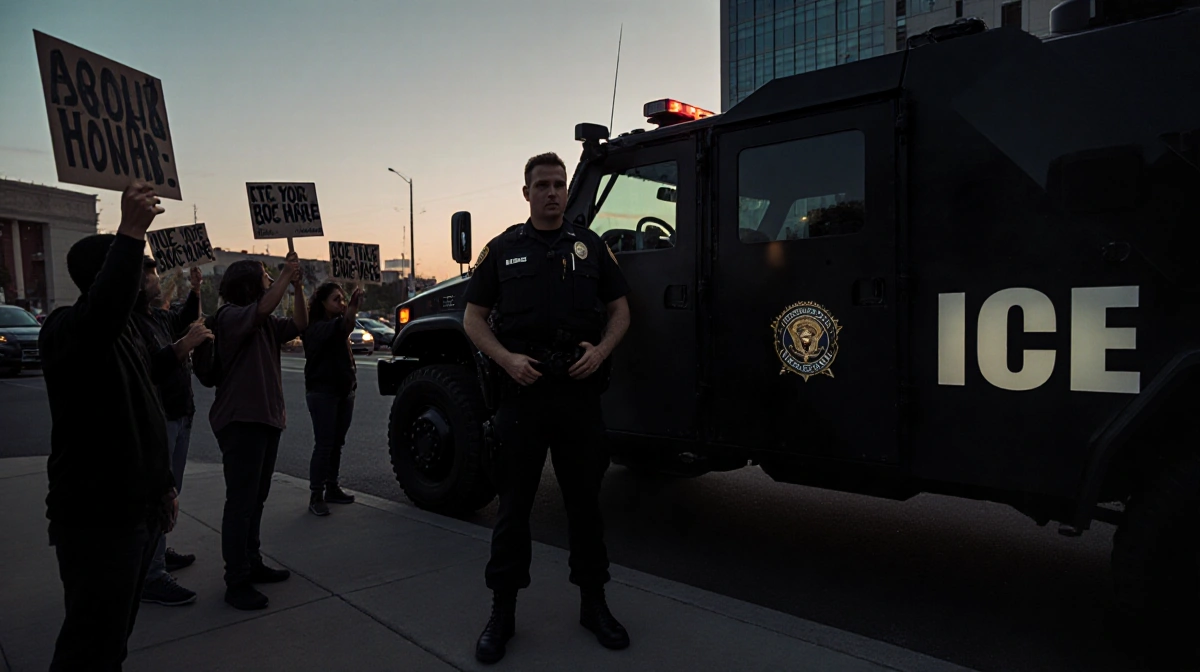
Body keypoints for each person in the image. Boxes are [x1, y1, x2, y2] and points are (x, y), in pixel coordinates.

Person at [462, 152, 632, 664]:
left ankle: (594, 605)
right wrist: (506, 359)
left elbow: (621, 310)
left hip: (578, 395)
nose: (553, 192)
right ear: (527, 193)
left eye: (559, 184)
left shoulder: (592, 247)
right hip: (523, 394)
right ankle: (503, 613)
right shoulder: (502, 250)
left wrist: (600, 351)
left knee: (586, 505)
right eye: (543, 184)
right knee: (513, 509)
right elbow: (474, 317)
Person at [40, 181, 204, 669]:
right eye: (135, 264)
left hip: (135, 508)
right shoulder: (68, 329)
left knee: (114, 637)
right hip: (95, 517)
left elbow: (147, 411)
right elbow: (106, 307)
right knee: (90, 643)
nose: (146, 275)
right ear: (106, 273)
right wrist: (131, 229)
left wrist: (163, 491)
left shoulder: (130, 331)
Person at [210, 254, 308, 610]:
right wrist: (285, 274)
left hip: (266, 419)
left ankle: (252, 561)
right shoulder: (230, 316)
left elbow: (299, 323)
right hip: (241, 421)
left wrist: (296, 288)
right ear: (250, 285)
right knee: (240, 503)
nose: (270, 280)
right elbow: (264, 308)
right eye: (266, 276)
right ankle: (235, 580)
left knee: (256, 499)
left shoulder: (265, 321)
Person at [132, 261, 204, 606]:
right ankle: (152, 574)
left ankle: (158, 553)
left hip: (180, 413)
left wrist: (195, 290)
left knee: (171, 493)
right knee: (161, 494)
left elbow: (182, 319)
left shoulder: (157, 316)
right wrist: (183, 347)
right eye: (150, 275)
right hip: (162, 418)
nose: (156, 279)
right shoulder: (131, 325)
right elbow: (152, 367)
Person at [302, 281, 363, 516]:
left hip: (343, 392)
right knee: (324, 444)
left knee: (337, 443)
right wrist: (353, 308)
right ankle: (316, 494)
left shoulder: (337, 325)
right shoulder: (315, 327)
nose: (341, 303)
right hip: (322, 393)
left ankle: (332, 487)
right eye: (336, 299)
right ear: (323, 303)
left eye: (343, 299)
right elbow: (344, 326)